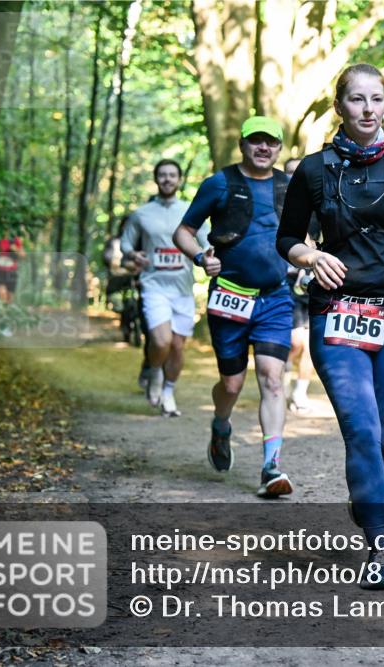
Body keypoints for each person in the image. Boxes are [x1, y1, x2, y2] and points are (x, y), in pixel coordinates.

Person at [278, 63, 384, 589]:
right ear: (339, 107)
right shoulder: (314, 170)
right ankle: (379, 546)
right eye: (356, 100)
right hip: (337, 312)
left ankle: (364, 486)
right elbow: (288, 238)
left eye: (376, 99)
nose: (368, 109)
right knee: (363, 432)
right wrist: (308, 257)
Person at [174, 116, 295, 498]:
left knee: (272, 379)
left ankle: (270, 466)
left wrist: (310, 262)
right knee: (232, 383)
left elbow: (305, 233)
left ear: (279, 148)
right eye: (255, 141)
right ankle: (221, 424)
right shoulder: (220, 183)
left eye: (271, 143)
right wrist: (199, 259)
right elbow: (183, 231)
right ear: (242, 145)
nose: (263, 148)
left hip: (275, 297)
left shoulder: (288, 187)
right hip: (229, 296)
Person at [121, 159, 206, 417]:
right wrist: (134, 256)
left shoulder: (191, 211)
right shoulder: (141, 213)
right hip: (153, 286)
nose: (167, 179)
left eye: (172, 175)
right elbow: (125, 246)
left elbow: (206, 242)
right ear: (156, 179)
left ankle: (169, 390)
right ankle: (155, 372)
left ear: (179, 179)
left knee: (178, 347)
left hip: (182, 288)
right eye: (162, 175)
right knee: (160, 340)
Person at [282, 156, 317, 413]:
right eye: (289, 173)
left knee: (311, 343)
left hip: (314, 282)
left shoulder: (319, 207)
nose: (293, 177)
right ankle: (280, 379)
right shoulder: (276, 207)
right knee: (295, 342)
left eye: (298, 173)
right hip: (285, 283)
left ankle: (300, 392)